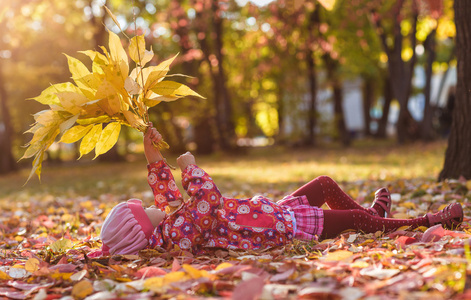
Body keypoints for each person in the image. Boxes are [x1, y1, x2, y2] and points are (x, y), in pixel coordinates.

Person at [94, 125, 464, 256]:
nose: (152, 206)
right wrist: (190, 168)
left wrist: (150, 149)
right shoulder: (175, 234)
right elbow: (207, 201)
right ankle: (422, 222)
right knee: (351, 219)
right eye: (144, 211)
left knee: (323, 184)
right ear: (143, 230)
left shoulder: (168, 222)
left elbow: (165, 191)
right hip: (277, 228)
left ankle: (375, 218)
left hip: (272, 211)